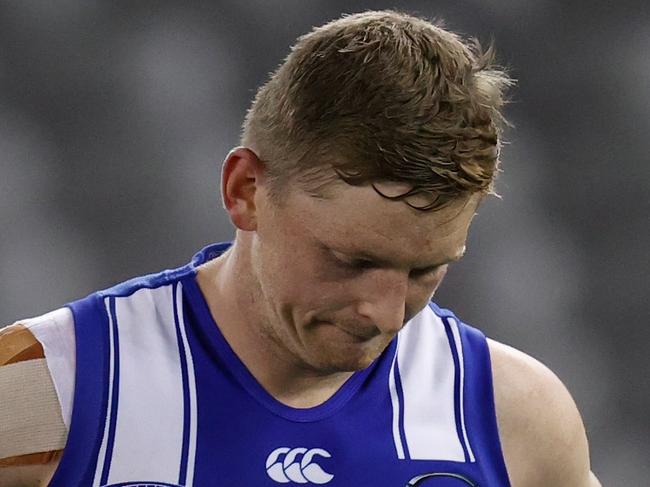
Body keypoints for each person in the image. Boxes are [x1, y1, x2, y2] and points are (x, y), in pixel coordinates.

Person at [0, 10, 600, 487]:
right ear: (246, 192)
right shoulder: (41, 390)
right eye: (351, 261)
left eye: (425, 271)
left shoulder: (514, 418)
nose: (384, 314)